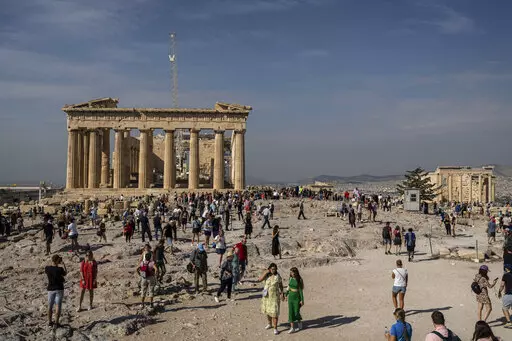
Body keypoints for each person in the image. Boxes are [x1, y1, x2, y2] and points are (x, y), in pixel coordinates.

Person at [259, 263, 285, 336]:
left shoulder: (278, 276)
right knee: (268, 311)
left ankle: (275, 328)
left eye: (275, 269)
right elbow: (259, 279)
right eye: (272, 269)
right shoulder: (267, 275)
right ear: (269, 269)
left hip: (274, 297)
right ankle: (269, 324)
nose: (273, 270)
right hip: (267, 297)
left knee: (274, 313)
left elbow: (280, 285)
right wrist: (266, 272)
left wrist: (282, 293)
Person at [45, 254, 67, 328]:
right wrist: (63, 265)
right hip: (59, 289)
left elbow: (49, 269)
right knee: (58, 306)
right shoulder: (60, 269)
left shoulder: (47, 268)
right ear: (58, 260)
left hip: (50, 289)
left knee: (50, 306)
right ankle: (56, 323)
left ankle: (50, 322)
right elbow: (65, 273)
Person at [286, 267, 304, 334]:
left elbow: (300, 291)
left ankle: (299, 321)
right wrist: (285, 295)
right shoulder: (290, 279)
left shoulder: (299, 280)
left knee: (296, 312)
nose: (292, 274)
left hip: (297, 298)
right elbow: (289, 288)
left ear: (296, 272)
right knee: (291, 312)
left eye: (293, 272)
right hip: (290, 297)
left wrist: (302, 300)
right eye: (291, 272)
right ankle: (292, 328)